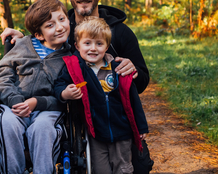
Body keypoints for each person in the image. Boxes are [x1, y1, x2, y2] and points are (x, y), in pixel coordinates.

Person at [1, 0, 149, 94]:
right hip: (62, 113)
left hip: (105, 114)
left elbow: (142, 83)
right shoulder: (62, 30)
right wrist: (23, 39)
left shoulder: (120, 32)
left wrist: (133, 70)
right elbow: (45, 45)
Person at [54, 17, 149, 174]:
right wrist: (66, 93)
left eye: (99, 43)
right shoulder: (75, 69)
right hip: (95, 133)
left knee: (124, 168)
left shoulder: (118, 69)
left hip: (122, 131)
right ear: (77, 46)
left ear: (106, 47)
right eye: (87, 43)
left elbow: (133, 98)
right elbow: (59, 85)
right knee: (99, 169)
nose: (93, 48)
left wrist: (141, 126)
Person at [0, 0, 71, 174]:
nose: (59, 27)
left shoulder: (70, 58)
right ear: (39, 35)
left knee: (43, 128)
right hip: (13, 105)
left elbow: (62, 96)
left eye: (62, 19)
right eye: (50, 25)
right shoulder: (22, 47)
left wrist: (37, 102)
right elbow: (2, 76)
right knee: (7, 123)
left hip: (47, 110)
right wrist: (15, 100)